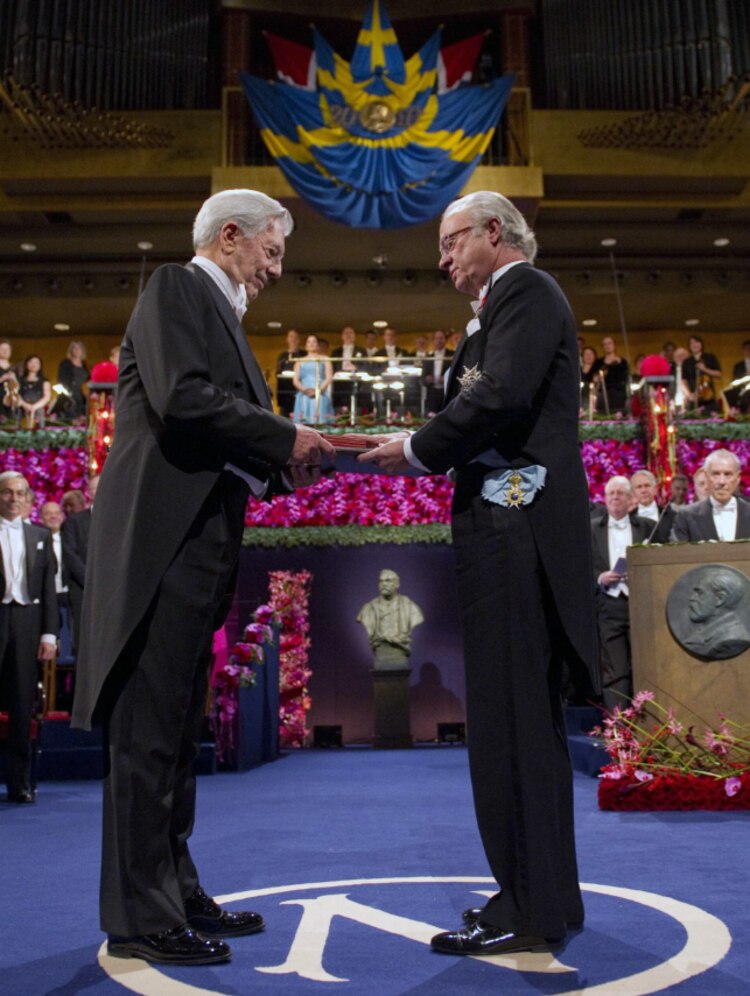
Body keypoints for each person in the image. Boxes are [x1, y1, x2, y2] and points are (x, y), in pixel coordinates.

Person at [70, 188, 335, 967]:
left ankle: (174, 888)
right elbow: (186, 401)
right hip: (159, 554)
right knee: (148, 738)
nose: (277, 271)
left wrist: (287, 456)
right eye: (272, 252)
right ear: (229, 238)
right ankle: (139, 914)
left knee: (176, 738)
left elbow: (223, 431)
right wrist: (288, 433)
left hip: (195, 551)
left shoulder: (218, 310)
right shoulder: (177, 288)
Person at [359, 190, 598, 956]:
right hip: (511, 530)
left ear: (495, 233)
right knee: (522, 725)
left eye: (452, 241)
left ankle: (529, 909)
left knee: (507, 724)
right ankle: (546, 893)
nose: (442, 258)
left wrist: (418, 451)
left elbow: (497, 398)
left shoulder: (524, 289)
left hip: (513, 532)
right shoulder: (501, 309)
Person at [0, 472, 57, 803]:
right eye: (7, 492)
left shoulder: (39, 535)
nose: (14, 498)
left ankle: (19, 783)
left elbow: (48, 588)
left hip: (27, 624)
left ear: (27, 498)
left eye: (20, 493)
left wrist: (49, 633)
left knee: (23, 706)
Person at [591, 476, 653, 710]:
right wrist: (600, 578)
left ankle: (647, 724)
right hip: (608, 606)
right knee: (615, 669)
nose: (615, 497)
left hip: (641, 606)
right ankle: (619, 728)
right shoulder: (591, 528)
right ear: (605, 500)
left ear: (631, 499)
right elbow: (581, 566)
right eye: (611, 494)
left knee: (645, 666)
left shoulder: (646, 527)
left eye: (620, 493)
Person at [671, 449, 750, 541]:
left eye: (728, 474)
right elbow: (678, 553)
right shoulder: (686, 516)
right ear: (706, 476)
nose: (722, 481)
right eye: (715, 474)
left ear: (737, 478)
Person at [356, 569, 424, 670]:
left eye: (388, 580)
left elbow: (418, 618)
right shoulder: (368, 609)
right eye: (381, 581)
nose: (383, 584)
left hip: (400, 655)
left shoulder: (410, 607)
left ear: (397, 584)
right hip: (380, 655)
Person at [61, 476, 99, 655]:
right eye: (94, 488)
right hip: (83, 590)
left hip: (113, 592)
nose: (99, 491)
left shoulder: (120, 519)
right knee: (85, 645)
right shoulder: (75, 521)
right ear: (88, 493)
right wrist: (91, 581)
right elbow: (69, 554)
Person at [682, 567, 750, 658]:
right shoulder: (709, 632)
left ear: (720, 599)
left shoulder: (733, 638)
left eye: (699, 593)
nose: (692, 598)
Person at [292, 334, 334, 424]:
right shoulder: (299, 361)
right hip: (304, 394)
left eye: (314, 341)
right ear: (305, 345)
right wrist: (305, 390)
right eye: (309, 342)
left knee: (321, 422)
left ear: (318, 345)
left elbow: (329, 377)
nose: (311, 344)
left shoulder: (325, 359)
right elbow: (295, 380)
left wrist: (318, 391)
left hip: (321, 393)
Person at [682, 335, 721, 411]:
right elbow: (684, 380)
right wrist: (689, 394)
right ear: (689, 347)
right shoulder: (687, 362)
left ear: (701, 344)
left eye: (696, 342)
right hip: (694, 396)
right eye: (691, 343)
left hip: (708, 396)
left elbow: (718, 374)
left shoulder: (710, 357)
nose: (694, 345)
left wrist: (705, 369)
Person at [330, 326, 365, 412]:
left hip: (356, 382)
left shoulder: (362, 350)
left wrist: (356, 368)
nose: (348, 335)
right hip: (339, 383)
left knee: (356, 405)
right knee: (339, 407)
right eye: (346, 333)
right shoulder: (335, 352)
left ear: (355, 336)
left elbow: (366, 366)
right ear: (342, 336)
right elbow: (331, 367)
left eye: (351, 333)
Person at [595, 336, 629, 414]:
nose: (607, 346)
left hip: (619, 394)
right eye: (605, 344)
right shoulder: (599, 362)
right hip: (604, 394)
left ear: (614, 345)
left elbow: (626, 379)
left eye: (609, 343)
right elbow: (595, 377)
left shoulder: (623, 361)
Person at [422, 330, 454, 414]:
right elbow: (422, 379)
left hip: (447, 393)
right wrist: (427, 379)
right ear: (433, 341)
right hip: (432, 394)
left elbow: (457, 373)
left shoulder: (452, 355)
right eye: (437, 338)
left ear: (445, 340)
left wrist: (446, 379)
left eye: (441, 338)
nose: (439, 341)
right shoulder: (428, 357)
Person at [57, 341, 90, 418]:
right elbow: (61, 380)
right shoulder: (65, 363)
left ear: (82, 351)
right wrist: (66, 394)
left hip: (82, 395)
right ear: (71, 351)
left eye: (79, 348)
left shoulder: (85, 364)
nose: (77, 350)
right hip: (70, 395)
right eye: (74, 348)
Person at [274, 329, 303, 417]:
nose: (293, 339)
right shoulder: (282, 356)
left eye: (295, 337)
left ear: (298, 340)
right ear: (287, 339)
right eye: (291, 336)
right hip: (284, 391)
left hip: (299, 390)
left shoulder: (303, 354)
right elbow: (277, 372)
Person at [17, 355, 51, 426]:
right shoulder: (19, 380)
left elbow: (47, 397)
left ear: (40, 366)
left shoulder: (45, 381)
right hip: (22, 409)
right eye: (31, 362)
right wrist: (25, 405)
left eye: (36, 362)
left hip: (38, 410)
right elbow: (16, 394)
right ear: (26, 364)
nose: (33, 364)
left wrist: (34, 407)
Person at [579, 345, 599, 412]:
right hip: (579, 397)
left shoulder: (598, 370)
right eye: (586, 354)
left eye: (591, 354)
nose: (588, 356)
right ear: (582, 356)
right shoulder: (577, 370)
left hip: (593, 396)